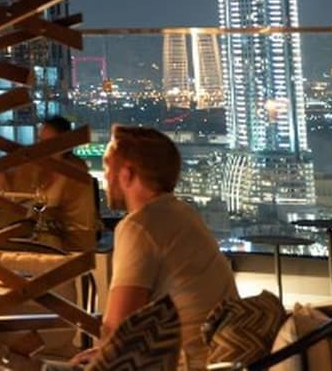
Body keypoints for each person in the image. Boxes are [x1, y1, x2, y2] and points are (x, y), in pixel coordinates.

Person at [70, 126, 233, 370]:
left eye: (107, 168)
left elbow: (117, 329)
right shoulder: (183, 213)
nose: (105, 178)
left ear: (126, 174)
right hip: (217, 360)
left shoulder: (139, 227)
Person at [15, 116, 99, 252]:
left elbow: (81, 227)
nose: (42, 148)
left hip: (69, 250)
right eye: (40, 141)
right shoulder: (32, 169)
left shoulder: (77, 176)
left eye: (49, 143)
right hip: (33, 246)